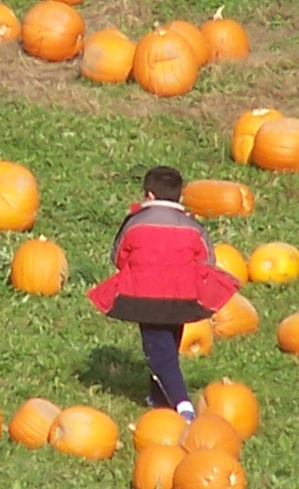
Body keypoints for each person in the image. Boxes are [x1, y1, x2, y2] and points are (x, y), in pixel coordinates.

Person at [87, 165, 240, 421]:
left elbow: (119, 257)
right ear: (178, 196)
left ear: (148, 195)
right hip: (182, 297)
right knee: (168, 343)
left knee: (158, 352)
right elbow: (207, 259)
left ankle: (183, 407)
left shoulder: (134, 223)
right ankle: (158, 398)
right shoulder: (192, 226)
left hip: (145, 297)